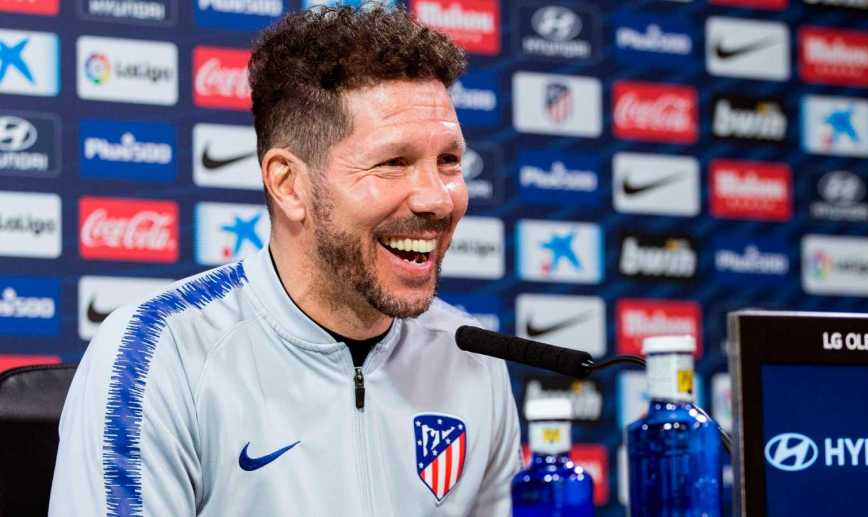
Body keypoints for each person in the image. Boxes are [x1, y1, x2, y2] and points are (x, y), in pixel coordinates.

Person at [49, 6, 521, 516]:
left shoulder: (472, 359)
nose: (438, 199)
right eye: (393, 163)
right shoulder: (161, 356)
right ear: (288, 184)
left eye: (448, 161)